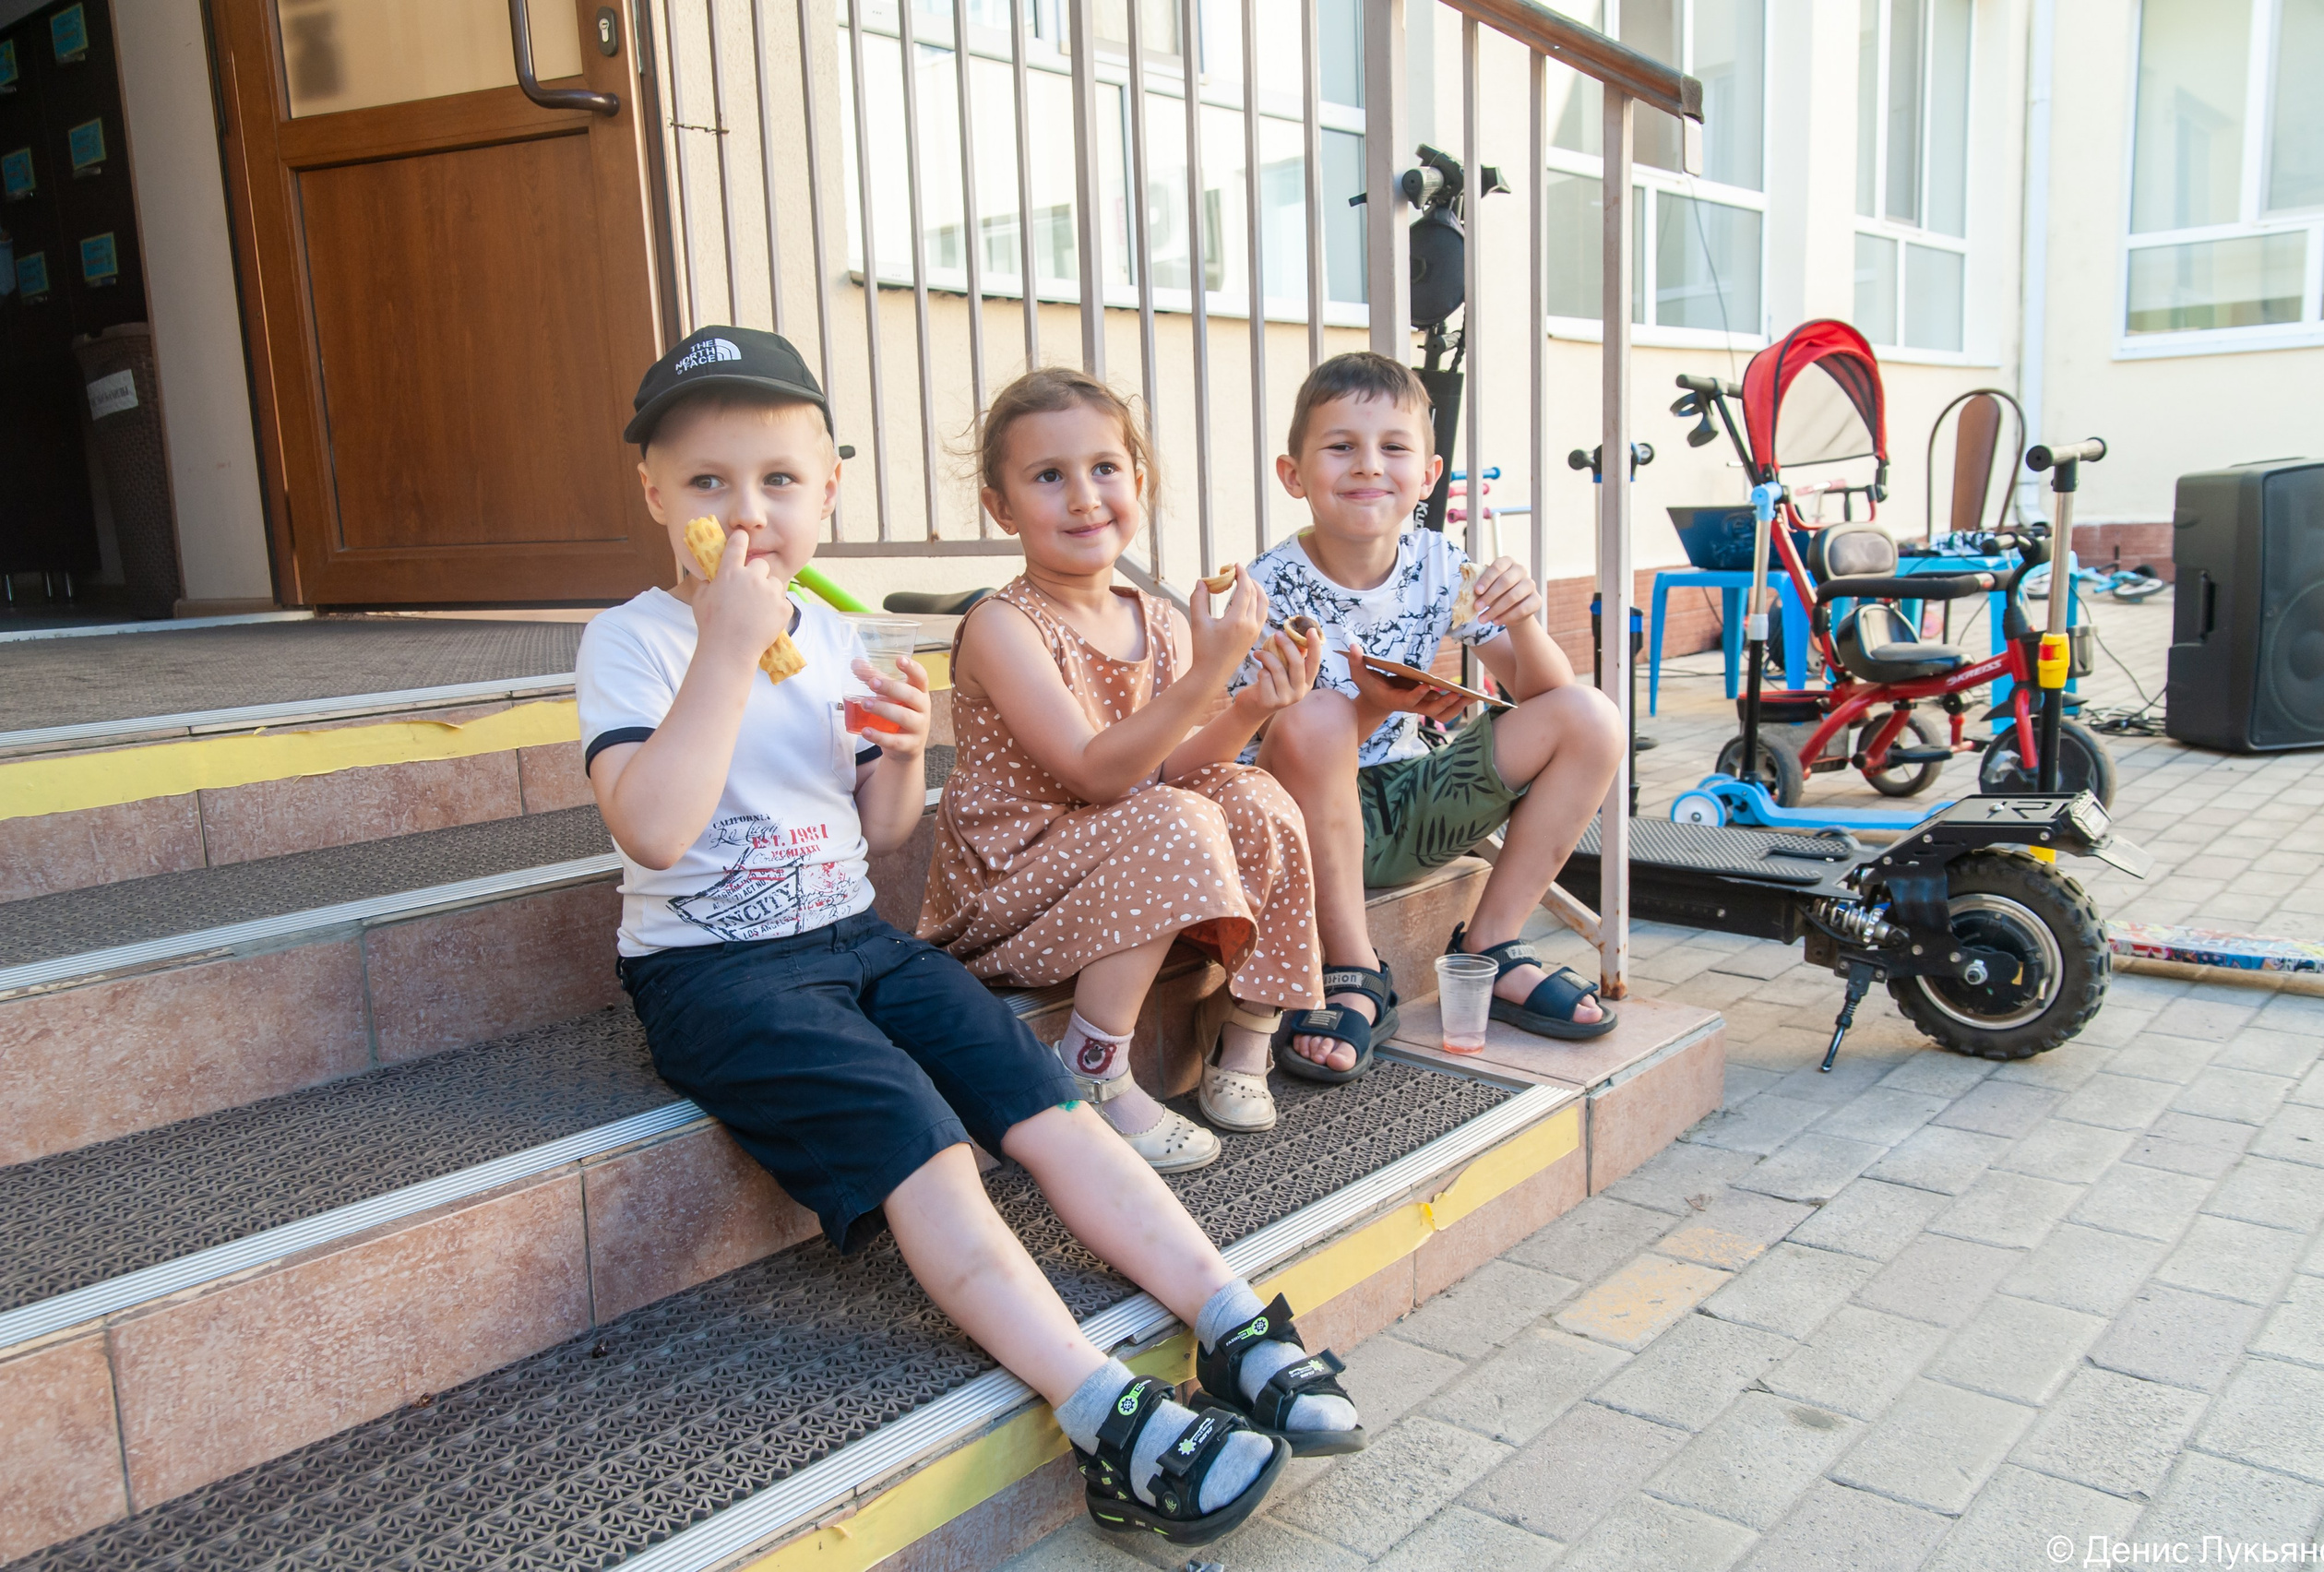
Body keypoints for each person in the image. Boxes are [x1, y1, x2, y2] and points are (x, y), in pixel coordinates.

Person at [576, 328, 1361, 1545]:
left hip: (855, 935)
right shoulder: (634, 639)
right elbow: (658, 830)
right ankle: (1103, 1410)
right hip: (714, 972)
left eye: (779, 482)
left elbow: (881, 830)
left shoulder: (839, 637)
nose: (746, 517)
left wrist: (899, 751)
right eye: (708, 486)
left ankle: (1232, 1319)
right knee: (920, 1137)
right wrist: (728, 645)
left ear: (828, 488)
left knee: (1043, 1101)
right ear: (653, 495)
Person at [921, 366, 1325, 1160]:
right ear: (1002, 508)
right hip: (1013, 884)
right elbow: (1097, 775)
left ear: (1138, 482)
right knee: (1177, 818)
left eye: (1105, 469)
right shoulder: (1004, 626)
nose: (1083, 497)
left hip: (1117, 854)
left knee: (1254, 791)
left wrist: (1248, 706)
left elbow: (1172, 767)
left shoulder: (1162, 619)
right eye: (1048, 477)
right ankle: (1095, 1074)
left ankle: (1246, 1033)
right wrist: (1216, 670)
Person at [1234, 351, 1625, 1080]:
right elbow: (1256, 741)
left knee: (1592, 717)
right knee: (1316, 715)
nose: (1367, 466)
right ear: (1294, 474)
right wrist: (1368, 708)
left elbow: (1546, 696)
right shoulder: (1266, 590)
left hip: (1415, 801)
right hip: (1307, 817)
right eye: (1341, 446)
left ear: (1428, 473)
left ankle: (1489, 947)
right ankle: (1351, 966)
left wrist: (1526, 619)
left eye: (1392, 448)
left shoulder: (1442, 562)